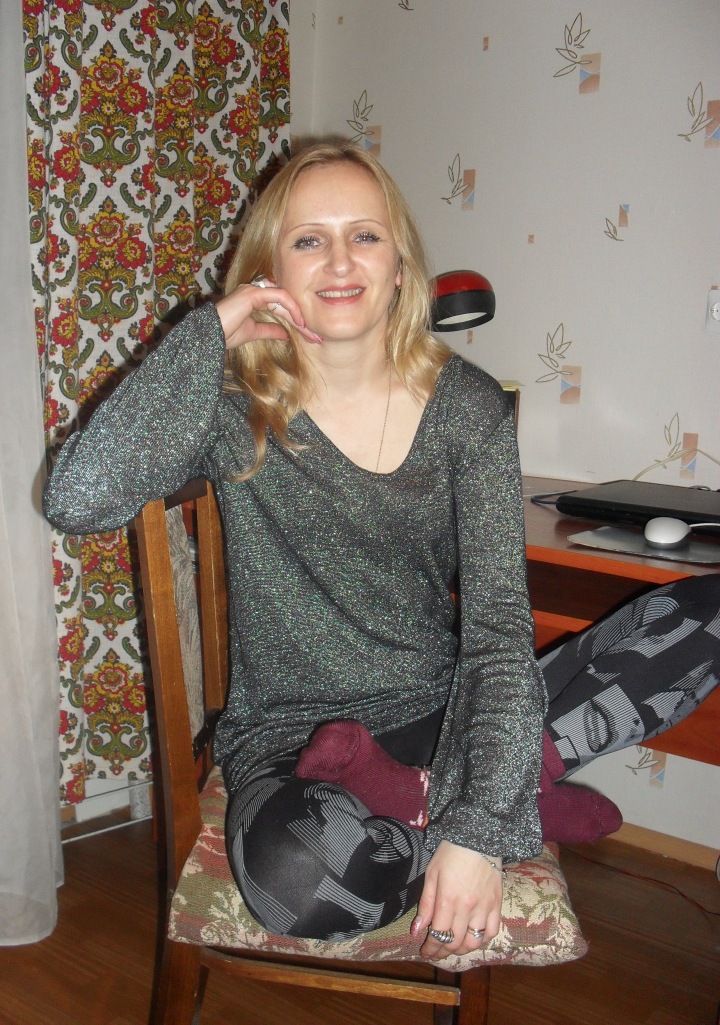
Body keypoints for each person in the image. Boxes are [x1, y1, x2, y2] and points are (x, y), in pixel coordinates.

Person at [43, 142, 720, 958]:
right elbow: (77, 498)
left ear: (400, 266)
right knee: (298, 878)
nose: (339, 260)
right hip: (290, 740)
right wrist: (212, 329)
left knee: (704, 614)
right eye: (308, 240)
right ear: (269, 271)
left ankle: (454, 794)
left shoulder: (466, 408)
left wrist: (476, 833)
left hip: (442, 708)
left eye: (364, 235)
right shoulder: (231, 405)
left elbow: (498, 633)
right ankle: (515, 792)